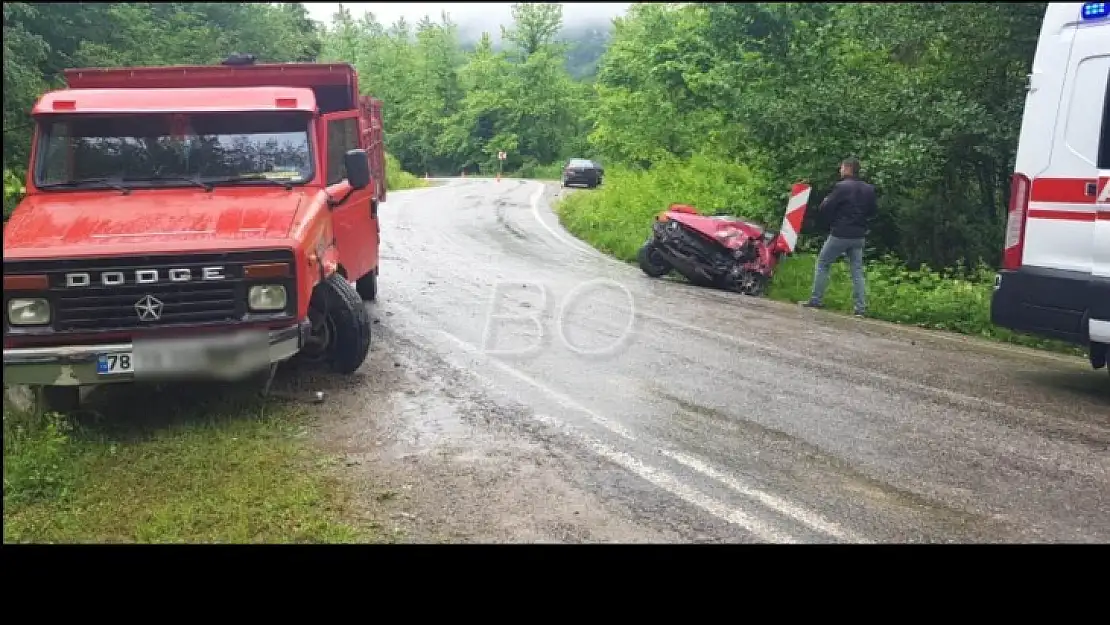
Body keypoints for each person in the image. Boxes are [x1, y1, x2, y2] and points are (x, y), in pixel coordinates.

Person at [800, 156, 877, 317]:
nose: (839, 170)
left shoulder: (842, 187)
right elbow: (872, 211)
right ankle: (860, 308)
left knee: (823, 263)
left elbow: (827, 207)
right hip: (859, 235)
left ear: (848, 169)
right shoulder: (869, 189)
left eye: (841, 167)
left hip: (840, 233)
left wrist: (828, 216)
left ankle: (816, 299)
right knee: (856, 270)